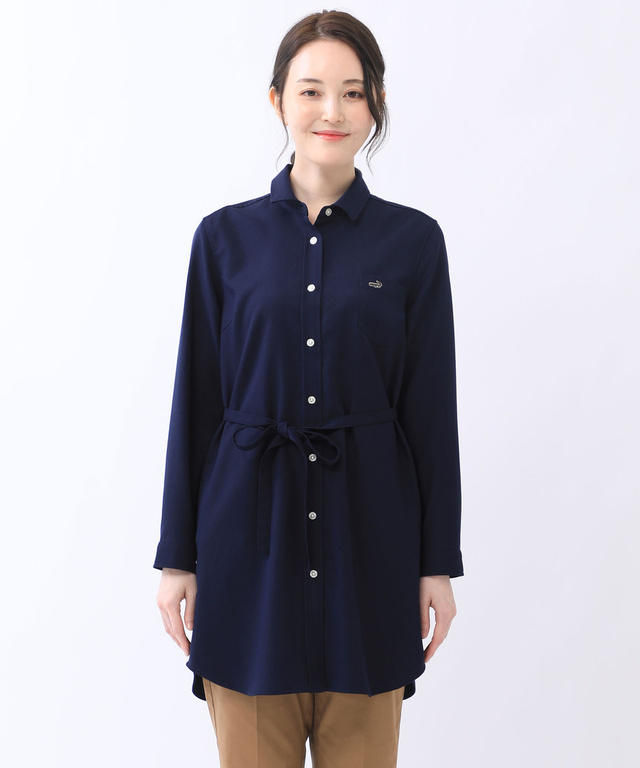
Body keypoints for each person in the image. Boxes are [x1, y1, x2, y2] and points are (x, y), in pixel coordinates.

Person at [154, 9, 464, 768]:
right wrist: (177, 558)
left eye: (353, 92)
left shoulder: (414, 242)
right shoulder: (222, 240)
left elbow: (431, 412)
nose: (333, 111)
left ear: (376, 103)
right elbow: (196, 403)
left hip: (371, 555)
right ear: (277, 101)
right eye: (312, 90)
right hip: (245, 560)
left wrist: (436, 564)